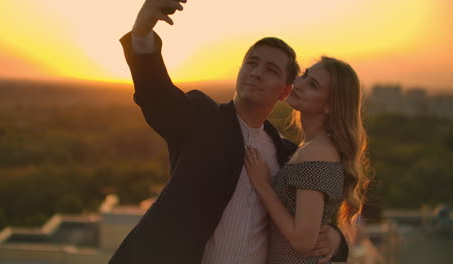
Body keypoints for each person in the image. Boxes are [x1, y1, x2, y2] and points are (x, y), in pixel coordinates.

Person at [109, 0, 349, 263]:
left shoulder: (288, 156)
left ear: (284, 91)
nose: (256, 73)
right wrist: (142, 33)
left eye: (271, 70)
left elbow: (308, 215)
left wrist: (336, 241)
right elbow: (157, 97)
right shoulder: (201, 119)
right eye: (252, 63)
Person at [244, 56, 370, 263]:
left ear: (330, 106)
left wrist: (263, 186)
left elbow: (303, 241)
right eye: (305, 75)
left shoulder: (317, 153)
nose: (299, 84)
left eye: (313, 85)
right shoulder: (308, 148)